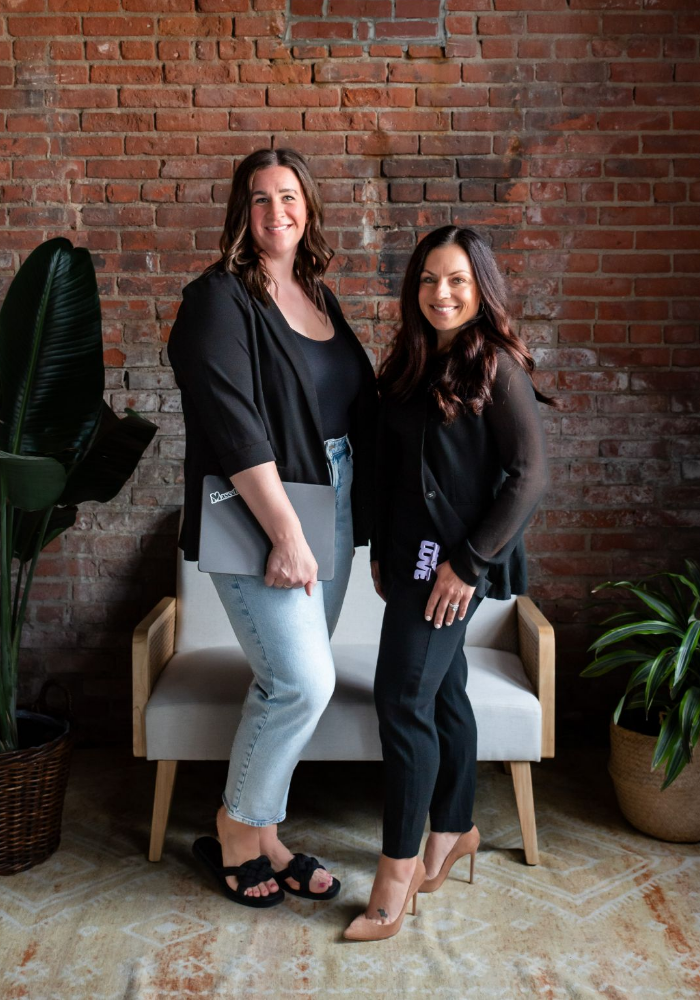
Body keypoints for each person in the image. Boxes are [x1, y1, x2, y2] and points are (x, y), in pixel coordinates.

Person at [168, 148, 377, 909]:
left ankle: (267, 836)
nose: (276, 212)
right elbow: (232, 423)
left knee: (287, 682)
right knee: (302, 679)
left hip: (336, 491)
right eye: (259, 199)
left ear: (308, 207)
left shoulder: (319, 294)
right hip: (264, 507)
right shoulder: (218, 298)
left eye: (289, 196)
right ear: (240, 212)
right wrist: (286, 532)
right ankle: (233, 825)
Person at [344, 225, 552, 941]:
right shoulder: (408, 362)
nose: (441, 293)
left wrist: (469, 563)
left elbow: (529, 478)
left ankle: (396, 870)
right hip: (408, 557)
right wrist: (374, 545)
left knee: (403, 701)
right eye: (430, 280)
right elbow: (384, 463)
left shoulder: (495, 366)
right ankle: (455, 828)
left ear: (481, 287)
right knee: (442, 688)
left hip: (451, 561)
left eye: (457, 280)